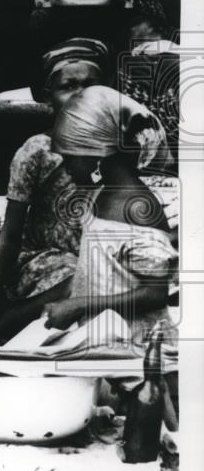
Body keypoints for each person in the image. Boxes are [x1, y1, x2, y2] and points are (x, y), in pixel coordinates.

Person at [0, 38, 110, 343]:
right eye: (67, 86)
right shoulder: (37, 151)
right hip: (49, 259)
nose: (81, 94)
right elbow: (10, 235)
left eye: (91, 85)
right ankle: (5, 325)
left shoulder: (123, 145)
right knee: (84, 282)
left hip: (104, 255)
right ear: (49, 98)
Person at [43, 85, 177, 347]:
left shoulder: (138, 210)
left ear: (97, 158)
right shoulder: (98, 196)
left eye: (70, 159)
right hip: (102, 337)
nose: (67, 168)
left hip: (138, 346)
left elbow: (155, 293)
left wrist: (80, 305)